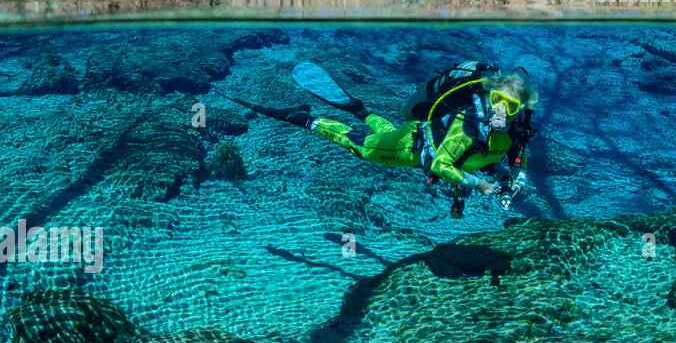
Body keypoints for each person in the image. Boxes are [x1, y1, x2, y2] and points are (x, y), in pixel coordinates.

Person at [222, 60, 536, 220]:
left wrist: (506, 179)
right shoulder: (469, 124)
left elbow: (492, 159)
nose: (498, 110)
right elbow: (441, 163)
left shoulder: (513, 137)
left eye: (508, 106)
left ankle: (358, 109)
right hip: (409, 148)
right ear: (488, 95)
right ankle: (304, 118)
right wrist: (476, 184)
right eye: (496, 99)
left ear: (520, 110)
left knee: (383, 133)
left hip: (412, 135)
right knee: (360, 147)